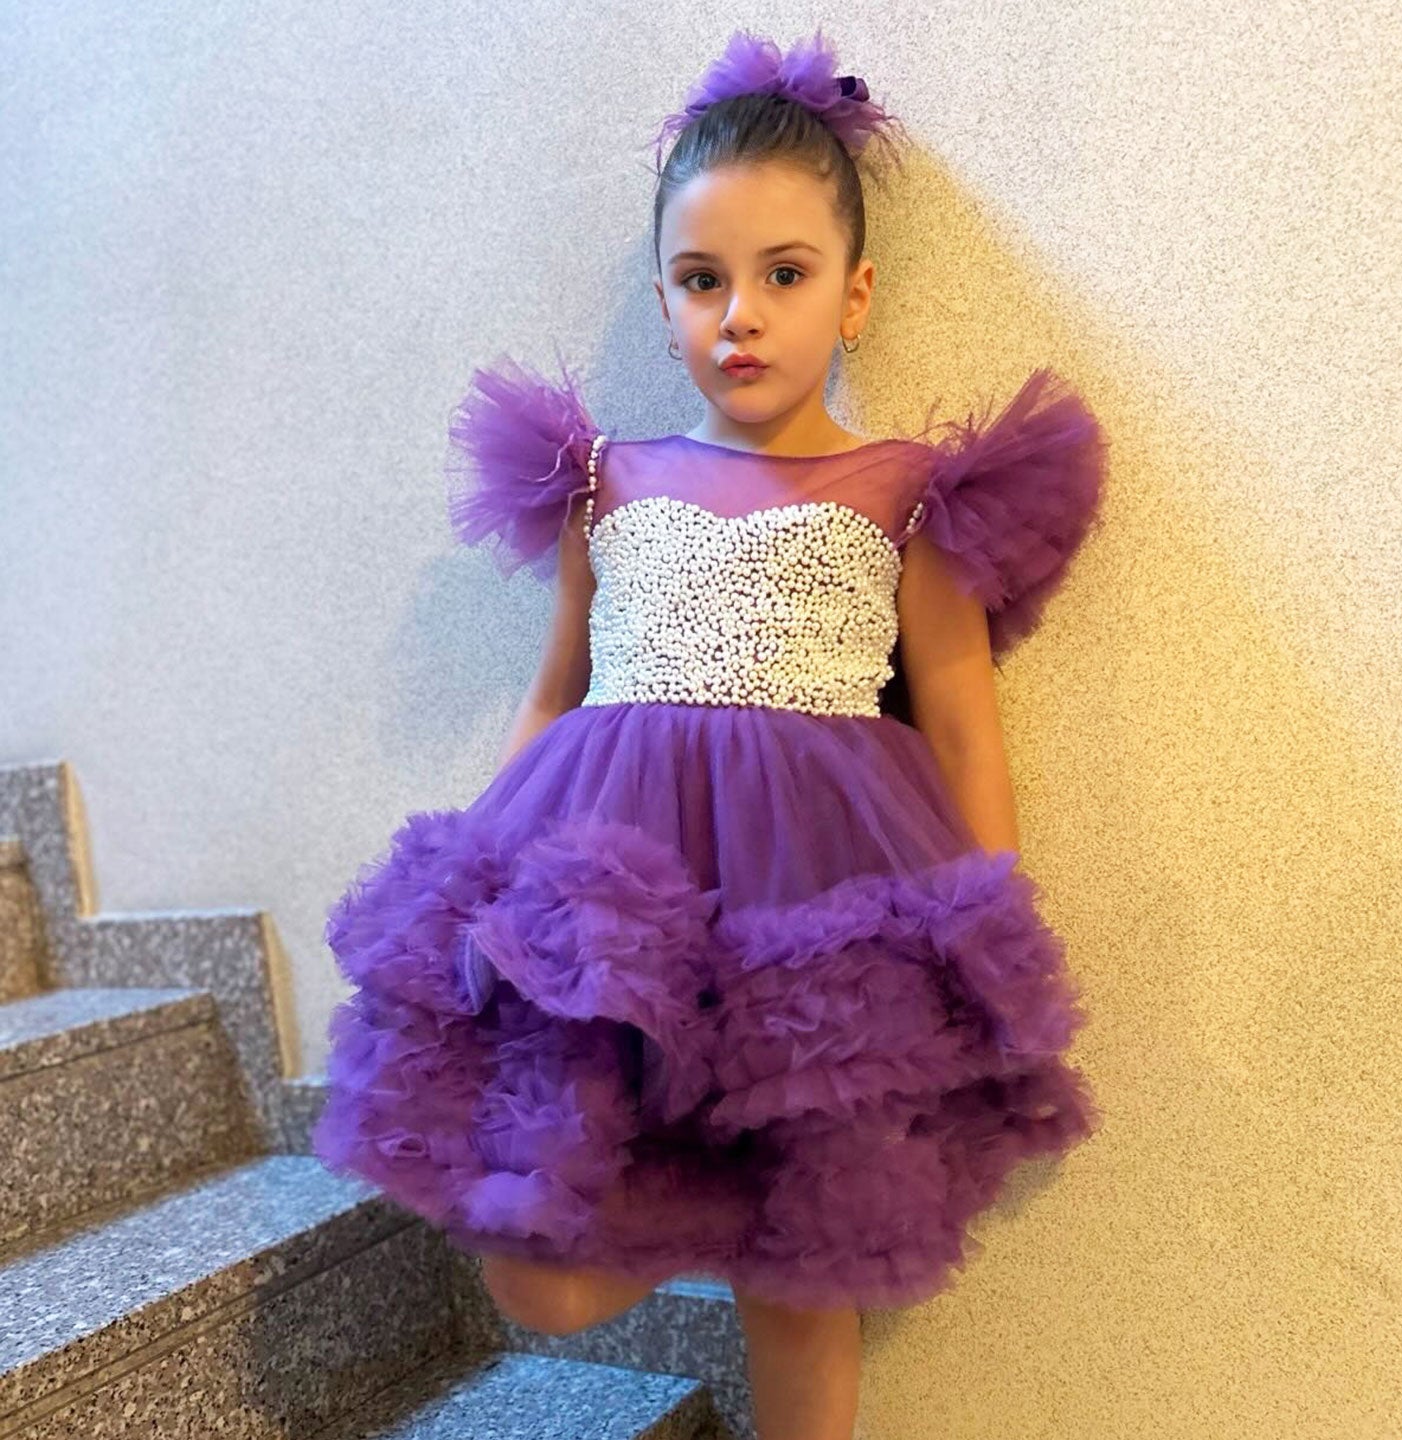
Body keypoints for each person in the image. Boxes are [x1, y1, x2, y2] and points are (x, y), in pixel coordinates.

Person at [312, 26, 1109, 1440]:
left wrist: (992, 939)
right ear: (667, 298)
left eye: (783, 275)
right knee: (542, 1270)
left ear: (854, 294)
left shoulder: (907, 494)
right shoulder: (604, 483)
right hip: (616, 900)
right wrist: (479, 880)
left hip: (823, 901)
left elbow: (960, 722)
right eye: (702, 279)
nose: (740, 315)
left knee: (804, 1274)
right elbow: (557, 691)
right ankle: (683, 1202)